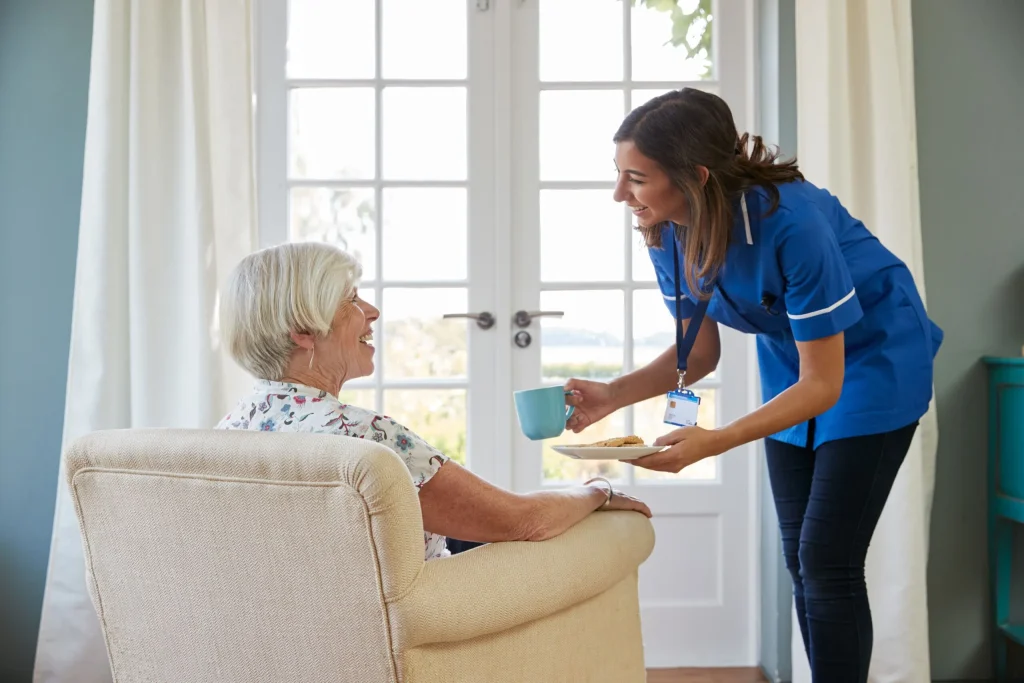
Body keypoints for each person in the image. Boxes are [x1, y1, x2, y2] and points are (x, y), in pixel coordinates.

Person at [565, 88, 942, 682]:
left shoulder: (792, 224)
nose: (619, 194)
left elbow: (825, 384)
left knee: (828, 558)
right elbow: (700, 352)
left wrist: (715, 441)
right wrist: (613, 395)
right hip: (797, 362)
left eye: (636, 178)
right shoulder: (667, 230)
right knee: (802, 558)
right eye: (619, 174)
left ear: (695, 176)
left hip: (875, 358)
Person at [215, 242, 650, 561]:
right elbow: (525, 520)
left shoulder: (227, 433)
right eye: (350, 299)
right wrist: (597, 490)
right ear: (303, 330)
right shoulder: (366, 439)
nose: (372, 311)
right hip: (418, 627)